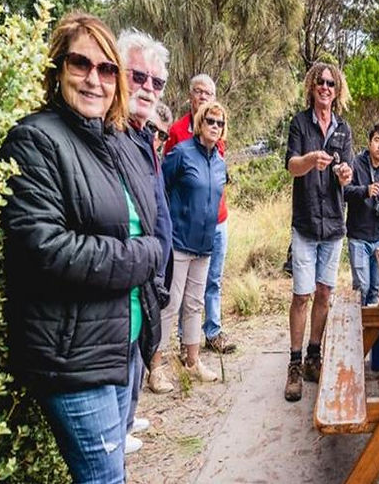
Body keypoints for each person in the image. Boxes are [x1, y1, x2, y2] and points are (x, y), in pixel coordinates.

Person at [0, 12, 164, 484]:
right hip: (74, 357)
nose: (95, 79)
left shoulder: (114, 141)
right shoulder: (34, 140)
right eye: (80, 64)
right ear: (57, 70)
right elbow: (46, 249)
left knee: (115, 471)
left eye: (107, 68)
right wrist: (146, 257)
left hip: (119, 341)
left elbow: (147, 221)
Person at [117, 29, 174, 453]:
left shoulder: (140, 136)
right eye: (138, 77)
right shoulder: (113, 136)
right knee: (127, 352)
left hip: (148, 274)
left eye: (156, 82)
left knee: (137, 351)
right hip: (129, 273)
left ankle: (127, 417)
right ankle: (120, 429)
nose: (148, 88)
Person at [284, 62, 354, 401]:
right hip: (306, 223)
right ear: (312, 87)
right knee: (302, 294)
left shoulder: (344, 129)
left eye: (331, 83)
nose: (325, 87)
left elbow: (349, 173)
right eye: (320, 82)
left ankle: (314, 355)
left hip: (334, 227)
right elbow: (292, 167)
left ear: (337, 90)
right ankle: (294, 365)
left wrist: (344, 174)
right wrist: (311, 158)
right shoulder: (299, 123)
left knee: (325, 294)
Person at [155, 101, 230, 388]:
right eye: (210, 120)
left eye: (220, 123)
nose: (215, 126)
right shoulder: (181, 154)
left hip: (204, 245)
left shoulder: (220, 162)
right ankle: (156, 367)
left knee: (195, 304)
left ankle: (192, 361)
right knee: (170, 304)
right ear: (200, 123)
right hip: (178, 242)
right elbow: (161, 187)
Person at [162, 75, 236, 355]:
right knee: (178, 293)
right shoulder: (178, 134)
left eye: (210, 92)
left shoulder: (217, 138)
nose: (204, 96)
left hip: (216, 222)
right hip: (184, 228)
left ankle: (212, 332)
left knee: (212, 280)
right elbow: (165, 183)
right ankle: (181, 342)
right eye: (199, 92)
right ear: (190, 95)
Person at [344, 124, 379, 306]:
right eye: (377, 140)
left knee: (375, 288)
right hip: (359, 238)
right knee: (362, 287)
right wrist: (365, 191)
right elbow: (344, 192)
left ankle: (370, 333)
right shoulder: (355, 165)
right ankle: (357, 330)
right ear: (369, 143)